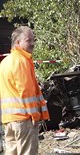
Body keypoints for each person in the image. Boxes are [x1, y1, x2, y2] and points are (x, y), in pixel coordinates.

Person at [0, 26, 49, 155]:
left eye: (33, 40)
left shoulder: (5, 62)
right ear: (17, 43)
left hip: (9, 119)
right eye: (28, 40)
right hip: (24, 119)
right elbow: (26, 91)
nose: (32, 43)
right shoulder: (22, 61)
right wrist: (35, 115)